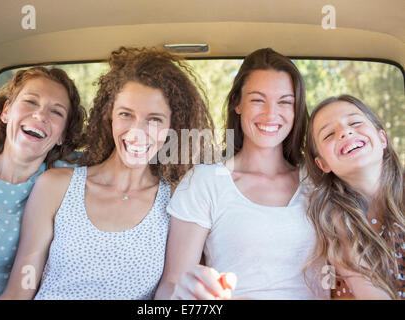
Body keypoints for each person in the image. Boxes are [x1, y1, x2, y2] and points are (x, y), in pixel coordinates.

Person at [0, 47, 216, 300]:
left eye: (154, 119)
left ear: (172, 127)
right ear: (109, 115)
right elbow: (20, 289)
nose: (137, 131)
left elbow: (172, 287)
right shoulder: (55, 186)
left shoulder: (178, 199)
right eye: (126, 114)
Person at [155, 48, 329, 300]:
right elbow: (172, 285)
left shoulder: (317, 180)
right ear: (238, 103)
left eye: (285, 102)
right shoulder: (205, 182)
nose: (271, 114)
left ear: (296, 110)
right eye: (258, 100)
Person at [0, 66, 86, 299]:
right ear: (6, 111)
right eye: (30, 102)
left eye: (56, 112)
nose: (41, 115)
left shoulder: (68, 181)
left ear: (63, 136)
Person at [304, 94, 404, 299]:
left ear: (382, 138)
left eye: (355, 122)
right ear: (323, 164)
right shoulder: (335, 220)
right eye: (329, 134)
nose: (345, 132)